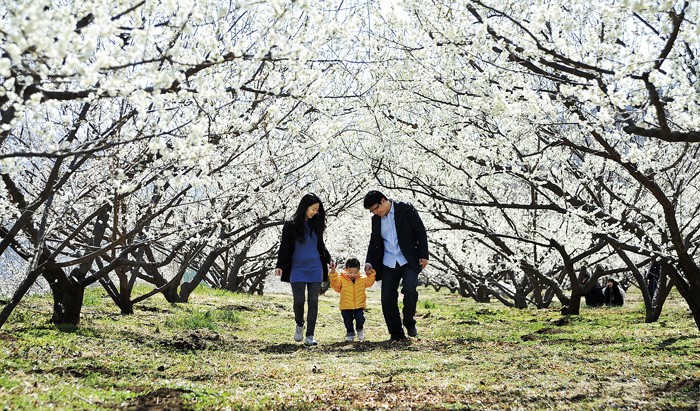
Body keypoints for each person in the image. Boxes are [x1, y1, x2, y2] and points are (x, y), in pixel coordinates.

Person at [363, 190, 428, 341]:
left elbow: (420, 232)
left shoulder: (405, 209)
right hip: (388, 262)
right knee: (387, 298)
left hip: (408, 260)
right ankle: (396, 334)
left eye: (376, 208)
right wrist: (369, 261)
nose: (375, 212)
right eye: (371, 211)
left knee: (410, 290)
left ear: (383, 200)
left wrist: (423, 255)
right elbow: (374, 242)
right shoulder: (376, 220)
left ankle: (409, 322)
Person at [275, 193, 332, 346]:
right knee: (299, 301)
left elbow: (321, 246)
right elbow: (284, 246)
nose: (315, 212)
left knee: (313, 302)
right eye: (313, 209)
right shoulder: (291, 225)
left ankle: (310, 336)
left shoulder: (316, 225)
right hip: (297, 269)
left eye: (317, 210)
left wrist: (329, 259)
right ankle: (299, 324)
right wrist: (279, 265)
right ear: (305, 207)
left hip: (315, 268)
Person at [329, 258, 377, 342]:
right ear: (346, 269)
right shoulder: (341, 279)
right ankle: (350, 333)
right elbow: (336, 285)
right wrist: (333, 274)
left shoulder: (362, 278)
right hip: (346, 305)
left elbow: (369, 282)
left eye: (355, 273)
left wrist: (370, 273)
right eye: (350, 272)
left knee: (360, 318)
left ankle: (359, 329)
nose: (352, 275)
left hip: (359, 304)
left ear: (359, 270)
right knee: (348, 321)